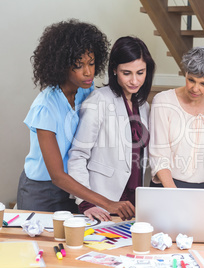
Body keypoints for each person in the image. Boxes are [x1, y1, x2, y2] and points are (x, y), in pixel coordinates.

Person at [17, 19, 114, 213]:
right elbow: (57, 176)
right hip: (42, 191)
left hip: (74, 186)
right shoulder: (45, 107)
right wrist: (106, 203)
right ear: (61, 66)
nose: (88, 72)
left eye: (92, 63)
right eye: (78, 66)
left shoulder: (87, 90)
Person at [68, 36, 155, 221]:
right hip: (101, 200)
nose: (134, 80)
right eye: (126, 73)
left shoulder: (144, 106)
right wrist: (86, 202)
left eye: (140, 72)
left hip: (134, 201)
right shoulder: (99, 100)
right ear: (114, 69)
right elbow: (77, 155)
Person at [148, 46, 204, 188]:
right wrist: (174, 194)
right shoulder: (163, 101)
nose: (195, 88)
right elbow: (158, 155)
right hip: (168, 186)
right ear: (185, 73)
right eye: (191, 80)